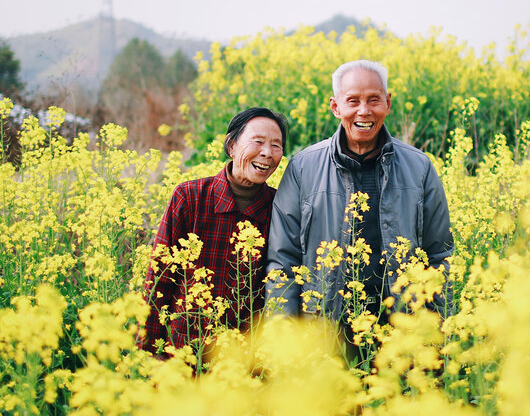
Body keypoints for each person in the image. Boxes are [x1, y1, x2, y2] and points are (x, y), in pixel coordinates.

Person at [265, 60, 454, 326]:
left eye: (373, 100)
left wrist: (435, 333)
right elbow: (283, 261)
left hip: (401, 331)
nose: (363, 111)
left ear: (387, 103)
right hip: (325, 332)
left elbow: (440, 256)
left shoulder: (419, 167)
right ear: (335, 107)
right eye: (353, 101)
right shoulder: (303, 167)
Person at [138, 107, 287, 356]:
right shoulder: (189, 197)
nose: (266, 153)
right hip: (183, 352)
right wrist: (146, 353)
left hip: (244, 361)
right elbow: (159, 280)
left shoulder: (281, 207)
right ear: (231, 146)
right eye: (258, 142)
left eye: (276, 145)